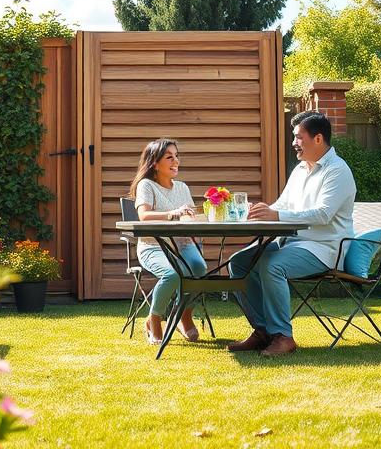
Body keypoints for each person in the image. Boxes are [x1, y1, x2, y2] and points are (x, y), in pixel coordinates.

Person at [227, 111, 356, 357]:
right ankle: (263, 331)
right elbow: (283, 205)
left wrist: (276, 216)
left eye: (298, 137)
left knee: (272, 265)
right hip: (292, 243)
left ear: (318, 139)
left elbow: (323, 214)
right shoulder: (300, 170)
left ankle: (283, 336)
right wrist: (261, 211)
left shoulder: (337, 171)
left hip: (324, 247)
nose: (294, 142)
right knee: (239, 262)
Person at [130, 138, 207, 344]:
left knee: (199, 269)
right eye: (169, 157)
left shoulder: (182, 187)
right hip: (152, 245)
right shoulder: (146, 185)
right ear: (154, 163)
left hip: (182, 244)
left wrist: (200, 216)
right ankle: (153, 320)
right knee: (171, 274)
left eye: (177, 156)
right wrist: (173, 213)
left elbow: (188, 217)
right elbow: (143, 216)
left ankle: (183, 315)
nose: (176, 161)